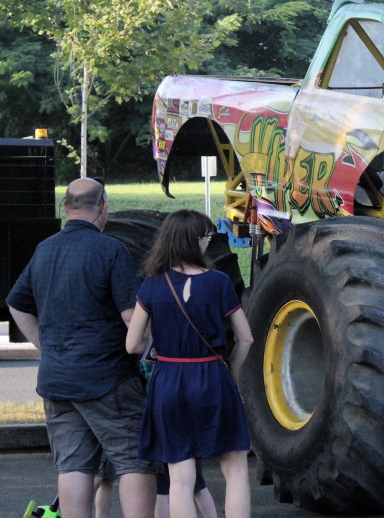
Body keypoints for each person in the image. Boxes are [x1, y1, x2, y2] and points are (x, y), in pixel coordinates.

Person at [6, 177, 159, 517]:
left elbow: (17, 304)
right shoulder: (111, 250)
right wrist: (150, 346)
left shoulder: (45, 249)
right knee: (134, 460)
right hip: (108, 379)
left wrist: (44, 346)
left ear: (66, 207)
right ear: (103, 206)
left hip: (57, 380)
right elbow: (131, 315)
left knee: (74, 465)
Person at [126, 209, 254, 518]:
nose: (210, 243)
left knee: (180, 479)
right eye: (208, 237)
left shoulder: (152, 286)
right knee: (235, 469)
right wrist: (232, 370)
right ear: (195, 241)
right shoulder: (219, 282)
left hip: (168, 379)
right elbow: (246, 338)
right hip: (212, 375)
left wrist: (160, 345)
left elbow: (132, 344)